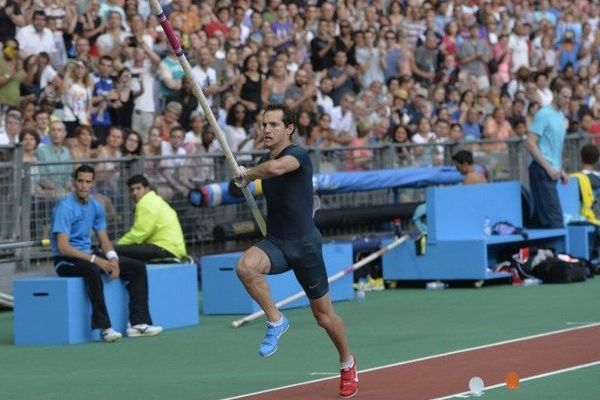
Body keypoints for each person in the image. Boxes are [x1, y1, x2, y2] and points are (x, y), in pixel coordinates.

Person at [233, 104, 358, 399]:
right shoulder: (264, 161)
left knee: (324, 317)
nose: (266, 130)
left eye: (273, 124)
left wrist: (248, 174)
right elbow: (261, 176)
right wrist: (241, 182)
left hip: (305, 247)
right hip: (276, 242)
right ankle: (276, 320)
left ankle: (347, 362)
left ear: (288, 129)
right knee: (245, 267)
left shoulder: (297, 156)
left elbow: (276, 169)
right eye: (264, 125)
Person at [50, 165, 162, 342]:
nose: (83, 186)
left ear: (93, 184)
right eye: (80, 181)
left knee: (137, 267)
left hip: (88, 255)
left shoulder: (96, 206)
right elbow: (63, 247)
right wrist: (96, 260)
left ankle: (138, 323)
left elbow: (104, 240)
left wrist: (113, 259)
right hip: (65, 260)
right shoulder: (65, 207)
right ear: (74, 182)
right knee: (93, 270)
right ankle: (105, 328)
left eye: (88, 182)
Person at [525, 83, 571, 228]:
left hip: (553, 170)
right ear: (556, 93)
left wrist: (560, 169)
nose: (566, 100)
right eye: (564, 96)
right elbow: (530, 143)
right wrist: (549, 167)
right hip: (541, 169)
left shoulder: (560, 116)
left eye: (569, 98)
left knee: (542, 219)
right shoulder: (543, 114)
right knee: (555, 219)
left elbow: (554, 147)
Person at [116, 174, 187, 262]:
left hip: (165, 248)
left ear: (147, 189)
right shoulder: (154, 200)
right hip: (173, 248)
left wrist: (117, 244)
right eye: (132, 190)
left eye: (138, 188)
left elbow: (139, 233)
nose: (134, 193)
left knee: (114, 252)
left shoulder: (146, 203)